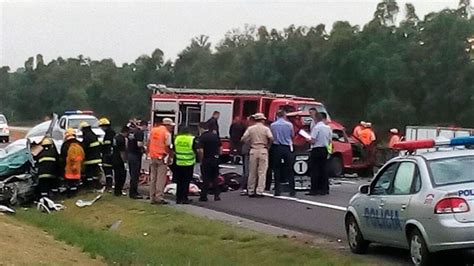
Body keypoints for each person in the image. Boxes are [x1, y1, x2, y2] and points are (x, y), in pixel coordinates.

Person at [241, 113, 273, 198]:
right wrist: (268, 146)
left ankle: (251, 190)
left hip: (253, 150)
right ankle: (259, 191)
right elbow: (271, 138)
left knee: (252, 171)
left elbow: (243, 138)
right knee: (262, 172)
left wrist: (250, 142)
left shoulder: (250, 129)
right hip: (263, 149)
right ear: (262, 120)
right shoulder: (266, 129)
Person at [148, 118, 174, 204]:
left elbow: (148, 142)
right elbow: (168, 146)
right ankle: (159, 197)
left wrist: (148, 152)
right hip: (162, 157)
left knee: (153, 178)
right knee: (161, 179)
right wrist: (170, 157)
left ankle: (152, 197)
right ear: (167, 125)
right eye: (171, 126)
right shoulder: (166, 133)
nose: (172, 128)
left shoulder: (153, 130)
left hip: (152, 156)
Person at [270, 110, 295, 197]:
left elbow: (272, 137)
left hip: (277, 147)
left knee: (276, 168)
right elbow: (292, 135)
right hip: (286, 147)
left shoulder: (273, 125)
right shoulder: (289, 125)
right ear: (284, 116)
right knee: (290, 169)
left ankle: (277, 190)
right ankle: (292, 190)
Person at [306, 112, 332, 196]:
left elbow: (313, 140)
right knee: (323, 169)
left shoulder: (316, 128)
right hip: (324, 149)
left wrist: (308, 139)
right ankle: (324, 189)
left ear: (316, 119)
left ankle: (314, 189)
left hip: (316, 149)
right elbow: (330, 141)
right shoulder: (328, 128)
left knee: (315, 170)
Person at [197, 122, 221, 201]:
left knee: (206, 178)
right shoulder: (215, 136)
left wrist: (201, 160)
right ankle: (217, 195)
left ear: (201, 128)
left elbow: (201, 150)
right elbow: (221, 149)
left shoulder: (202, 137)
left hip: (207, 159)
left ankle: (203, 196)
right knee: (215, 177)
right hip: (215, 159)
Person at [173, 126, 198, 204]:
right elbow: (195, 149)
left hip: (179, 162)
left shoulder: (177, 138)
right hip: (188, 163)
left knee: (179, 182)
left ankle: (178, 198)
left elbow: (173, 149)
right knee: (186, 181)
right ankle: (184, 198)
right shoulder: (191, 139)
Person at [60, 128, 84, 197]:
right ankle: (75, 192)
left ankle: (70, 194)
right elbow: (82, 155)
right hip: (78, 166)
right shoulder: (79, 144)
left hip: (69, 167)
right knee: (76, 181)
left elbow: (63, 157)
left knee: (70, 181)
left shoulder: (65, 145)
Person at [127, 120, 147, 199]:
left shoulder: (132, 132)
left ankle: (132, 191)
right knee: (135, 175)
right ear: (144, 125)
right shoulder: (140, 133)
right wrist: (144, 148)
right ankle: (134, 193)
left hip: (130, 154)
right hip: (136, 155)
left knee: (132, 174)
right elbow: (139, 144)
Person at [81, 122, 102, 189]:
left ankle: (90, 186)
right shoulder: (93, 134)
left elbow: (84, 146)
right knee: (95, 173)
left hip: (90, 159)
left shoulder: (86, 136)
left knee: (89, 173)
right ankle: (97, 185)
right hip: (96, 157)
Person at [240, 115, 255, 196]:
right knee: (250, 170)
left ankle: (245, 187)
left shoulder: (249, 129)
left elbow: (243, 139)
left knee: (247, 170)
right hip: (251, 150)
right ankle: (248, 187)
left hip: (248, 151)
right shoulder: (252, 129)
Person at [99, 117, 115, 190]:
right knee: (108, 170)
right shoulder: (110, 132)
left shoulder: (109, 134)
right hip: (110, 154)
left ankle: (109, 185)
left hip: (108, 155)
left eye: (102, 126)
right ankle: (109, 184)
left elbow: (107, 144)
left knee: (107, 170)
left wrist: (101, 147)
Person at [112, 126, 129, 196]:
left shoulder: (116, 137)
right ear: (125, 132)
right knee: (121, 176)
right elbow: (122, 152)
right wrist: (124, 161)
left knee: (116, 176)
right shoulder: (122, 139)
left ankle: (116, 191)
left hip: (114, 158)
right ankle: (119, 191)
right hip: (119, 160)